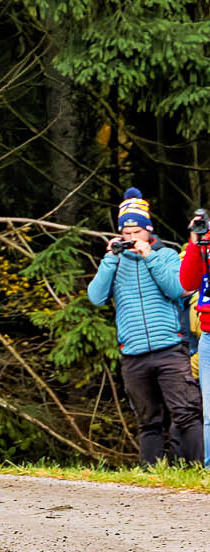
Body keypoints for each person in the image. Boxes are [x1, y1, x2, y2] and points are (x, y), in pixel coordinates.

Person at [87, 189, 202, 466]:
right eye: (126, 233)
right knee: (148, 420)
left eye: (136, 231)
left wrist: (149, 256)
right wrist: (109, 259)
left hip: (170, 348)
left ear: (148, 230)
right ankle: (151, 475)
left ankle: (200, 467)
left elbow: (178, 288)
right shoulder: (115, 262)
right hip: (133, 353)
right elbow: (96, 297)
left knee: (186, 412)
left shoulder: (167, 255)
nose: (131, 237)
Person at [179, 207, 210, 462]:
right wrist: (195, 242)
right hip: (207, 335)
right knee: (209, 414)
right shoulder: (205, 243)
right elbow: (188, 282)